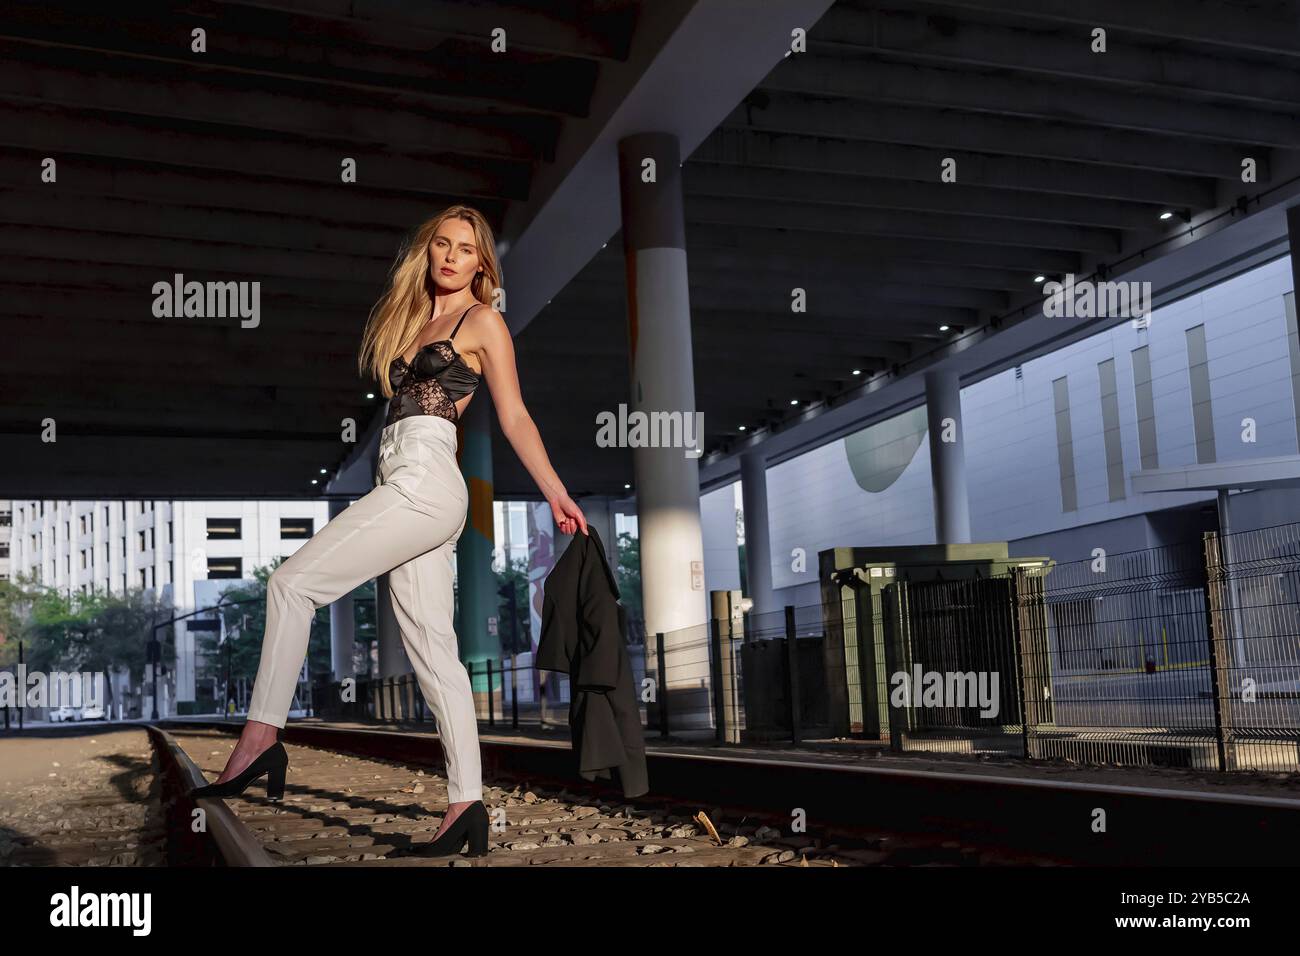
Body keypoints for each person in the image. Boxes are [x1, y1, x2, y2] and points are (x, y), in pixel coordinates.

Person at [190, 205, 589, 857]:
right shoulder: (415, 321)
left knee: (291, 586)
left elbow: (514, 416)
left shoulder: (483, 321)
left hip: (427, 481)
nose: (451, 256)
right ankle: (466, 804)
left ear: (482, 264)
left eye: (466, 249)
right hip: (402, 476)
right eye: (442, 243)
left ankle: (259, 740)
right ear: (428, 251)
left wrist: (555, 492)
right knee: (434, 650)